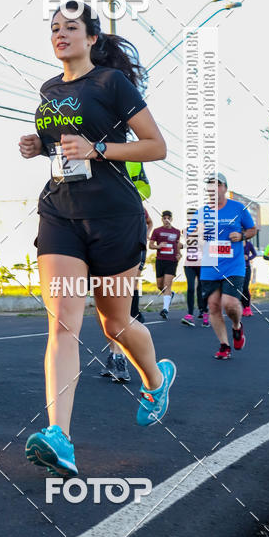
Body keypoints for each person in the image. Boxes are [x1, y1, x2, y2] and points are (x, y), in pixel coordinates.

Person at [20, 2, 176, 477]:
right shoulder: (49, 89)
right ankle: (59, 437)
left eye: (71, 28)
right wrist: (38, 146)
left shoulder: (112, 83)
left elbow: (156, 146)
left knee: (115, 325)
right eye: (54, 28)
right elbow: (61, 147)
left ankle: (156, 379)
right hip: (60, 214)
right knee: (63, 324)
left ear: (91, 38)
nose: (60, 34)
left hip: (113, 217)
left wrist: (99, 148)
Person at [189, 172, 256, 359]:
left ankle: (237, 326)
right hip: (210, 265)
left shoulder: (238, 208)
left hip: (234, 265)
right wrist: (197, 234)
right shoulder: (201, 212)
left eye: (217, 184)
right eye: (210, 185)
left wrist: (242, 236)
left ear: (225, 188)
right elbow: (191, 236)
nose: (213, 188)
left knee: (230, 304)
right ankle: (224, 345)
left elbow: (252, 229)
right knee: (213, 306)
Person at [101, 163, 152, 383]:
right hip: (99, 238)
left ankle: (121, 358)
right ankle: (114, 353)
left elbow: (146, 193)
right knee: (104, 306)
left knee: (122, 303)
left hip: (127, 242)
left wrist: (143, 236)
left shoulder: (130, 159)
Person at [149, 211, 181, 320]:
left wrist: (179, 254)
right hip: (160, 261)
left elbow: (177, 245)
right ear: (162, 219)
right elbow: (150, 245)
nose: (166, 220)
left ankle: (165, 310)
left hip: (172, 261)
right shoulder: (157, 231)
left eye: (168, 218)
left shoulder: (176, 232)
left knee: (167, 285)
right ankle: (171, 294)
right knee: (160, 286)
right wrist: (158, 246)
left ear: (171, 219)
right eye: (164, 218)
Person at [182, 212, 204, 327]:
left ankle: (202, 309)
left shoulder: (204, 231)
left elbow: (204, 244)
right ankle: (190, 314)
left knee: (201, 288)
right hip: (189, 264)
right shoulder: (186, 231)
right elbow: (188, 242)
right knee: (190, 288)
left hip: (201, 264)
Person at [241, 240, 257, 316]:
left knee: (245, 288)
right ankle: (243, 307)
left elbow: (254, 254)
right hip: (236, 268)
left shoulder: (248, 244)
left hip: (246, 268)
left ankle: (247, 308)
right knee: (239, 289)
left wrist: (248, 258)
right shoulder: (235, 243)